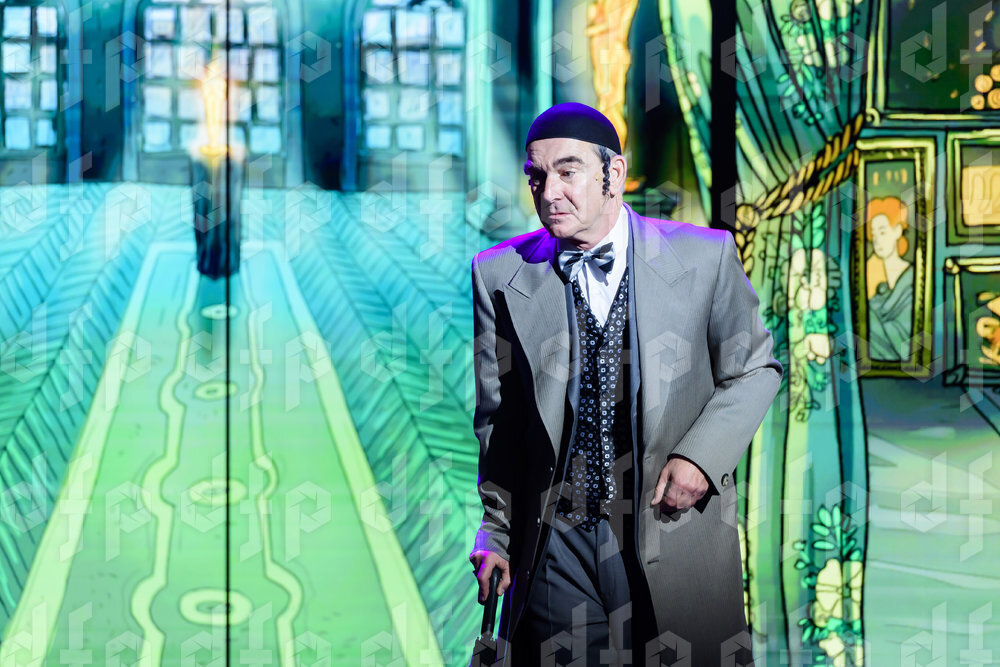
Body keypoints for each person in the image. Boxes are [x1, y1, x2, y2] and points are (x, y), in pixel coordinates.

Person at [468, 102, 782, 665]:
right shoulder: (499, 274)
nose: (548, 192)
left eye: (568, 172)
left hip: (668, 529)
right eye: (536, 176)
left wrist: (700, 458)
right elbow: (500, 423)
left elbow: (755, 369)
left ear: (613, 173)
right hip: (556, 542)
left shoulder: (704, 257)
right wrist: (495, 531)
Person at [864, 196, 914, 360]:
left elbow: (906, 345)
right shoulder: (880, 290)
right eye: (874, 234)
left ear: (898, 230)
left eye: (883, 232)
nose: (877, 240)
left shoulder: (912, 280)